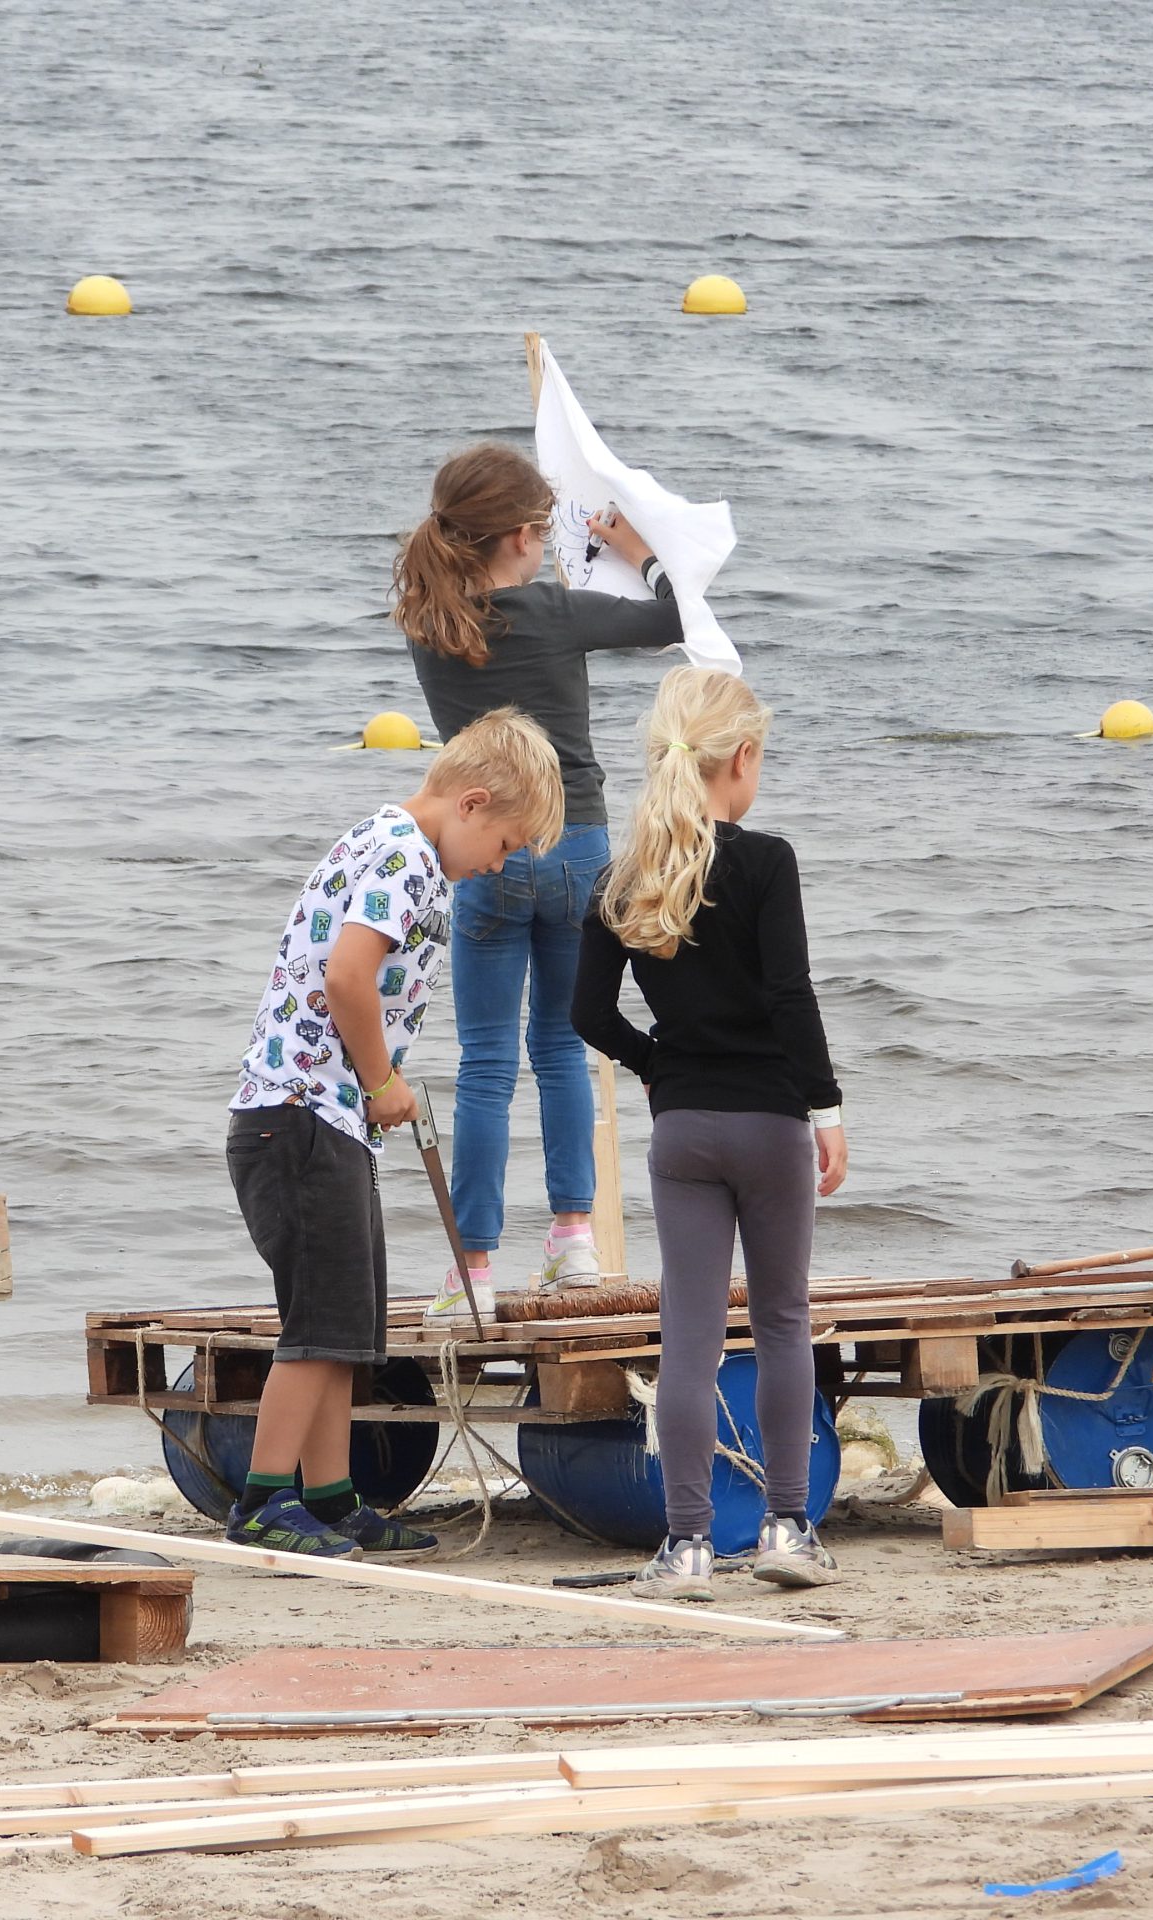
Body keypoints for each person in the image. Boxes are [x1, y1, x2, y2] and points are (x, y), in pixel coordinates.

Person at [226, 708, 567, 1556]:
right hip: (304, 1115)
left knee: (345, 1326)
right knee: (316, 1329)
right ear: (473, 805)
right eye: (506, 845)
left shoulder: (388, 838)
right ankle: (264, 1503)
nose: (501, 865)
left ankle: (333, 1497)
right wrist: (382, 1081)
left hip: (316, 1120)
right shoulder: (406, 856)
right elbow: (348, 976)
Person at [571, 667, 848, 1592]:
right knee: (780, 1322)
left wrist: (659, 1067)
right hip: (771, 1124)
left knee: (688, 1333)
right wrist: (826, 1107)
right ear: (745, 759)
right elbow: (789, 995)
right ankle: (784, 1530)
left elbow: (587, 1013)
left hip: (683, 1129)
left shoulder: (625, 876)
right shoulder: (769, 862)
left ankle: (686, 1541)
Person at [395, 442, 684, 1319]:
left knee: (485, 1062)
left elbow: (501, 616)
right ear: (525, 536)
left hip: (485, 847)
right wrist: (637, 552)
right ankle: (573, 1242)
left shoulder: (428, 623)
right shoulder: (559, 611)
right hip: (578, 845)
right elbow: (672, 618)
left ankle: (474, 1265)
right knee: (561, 1048)